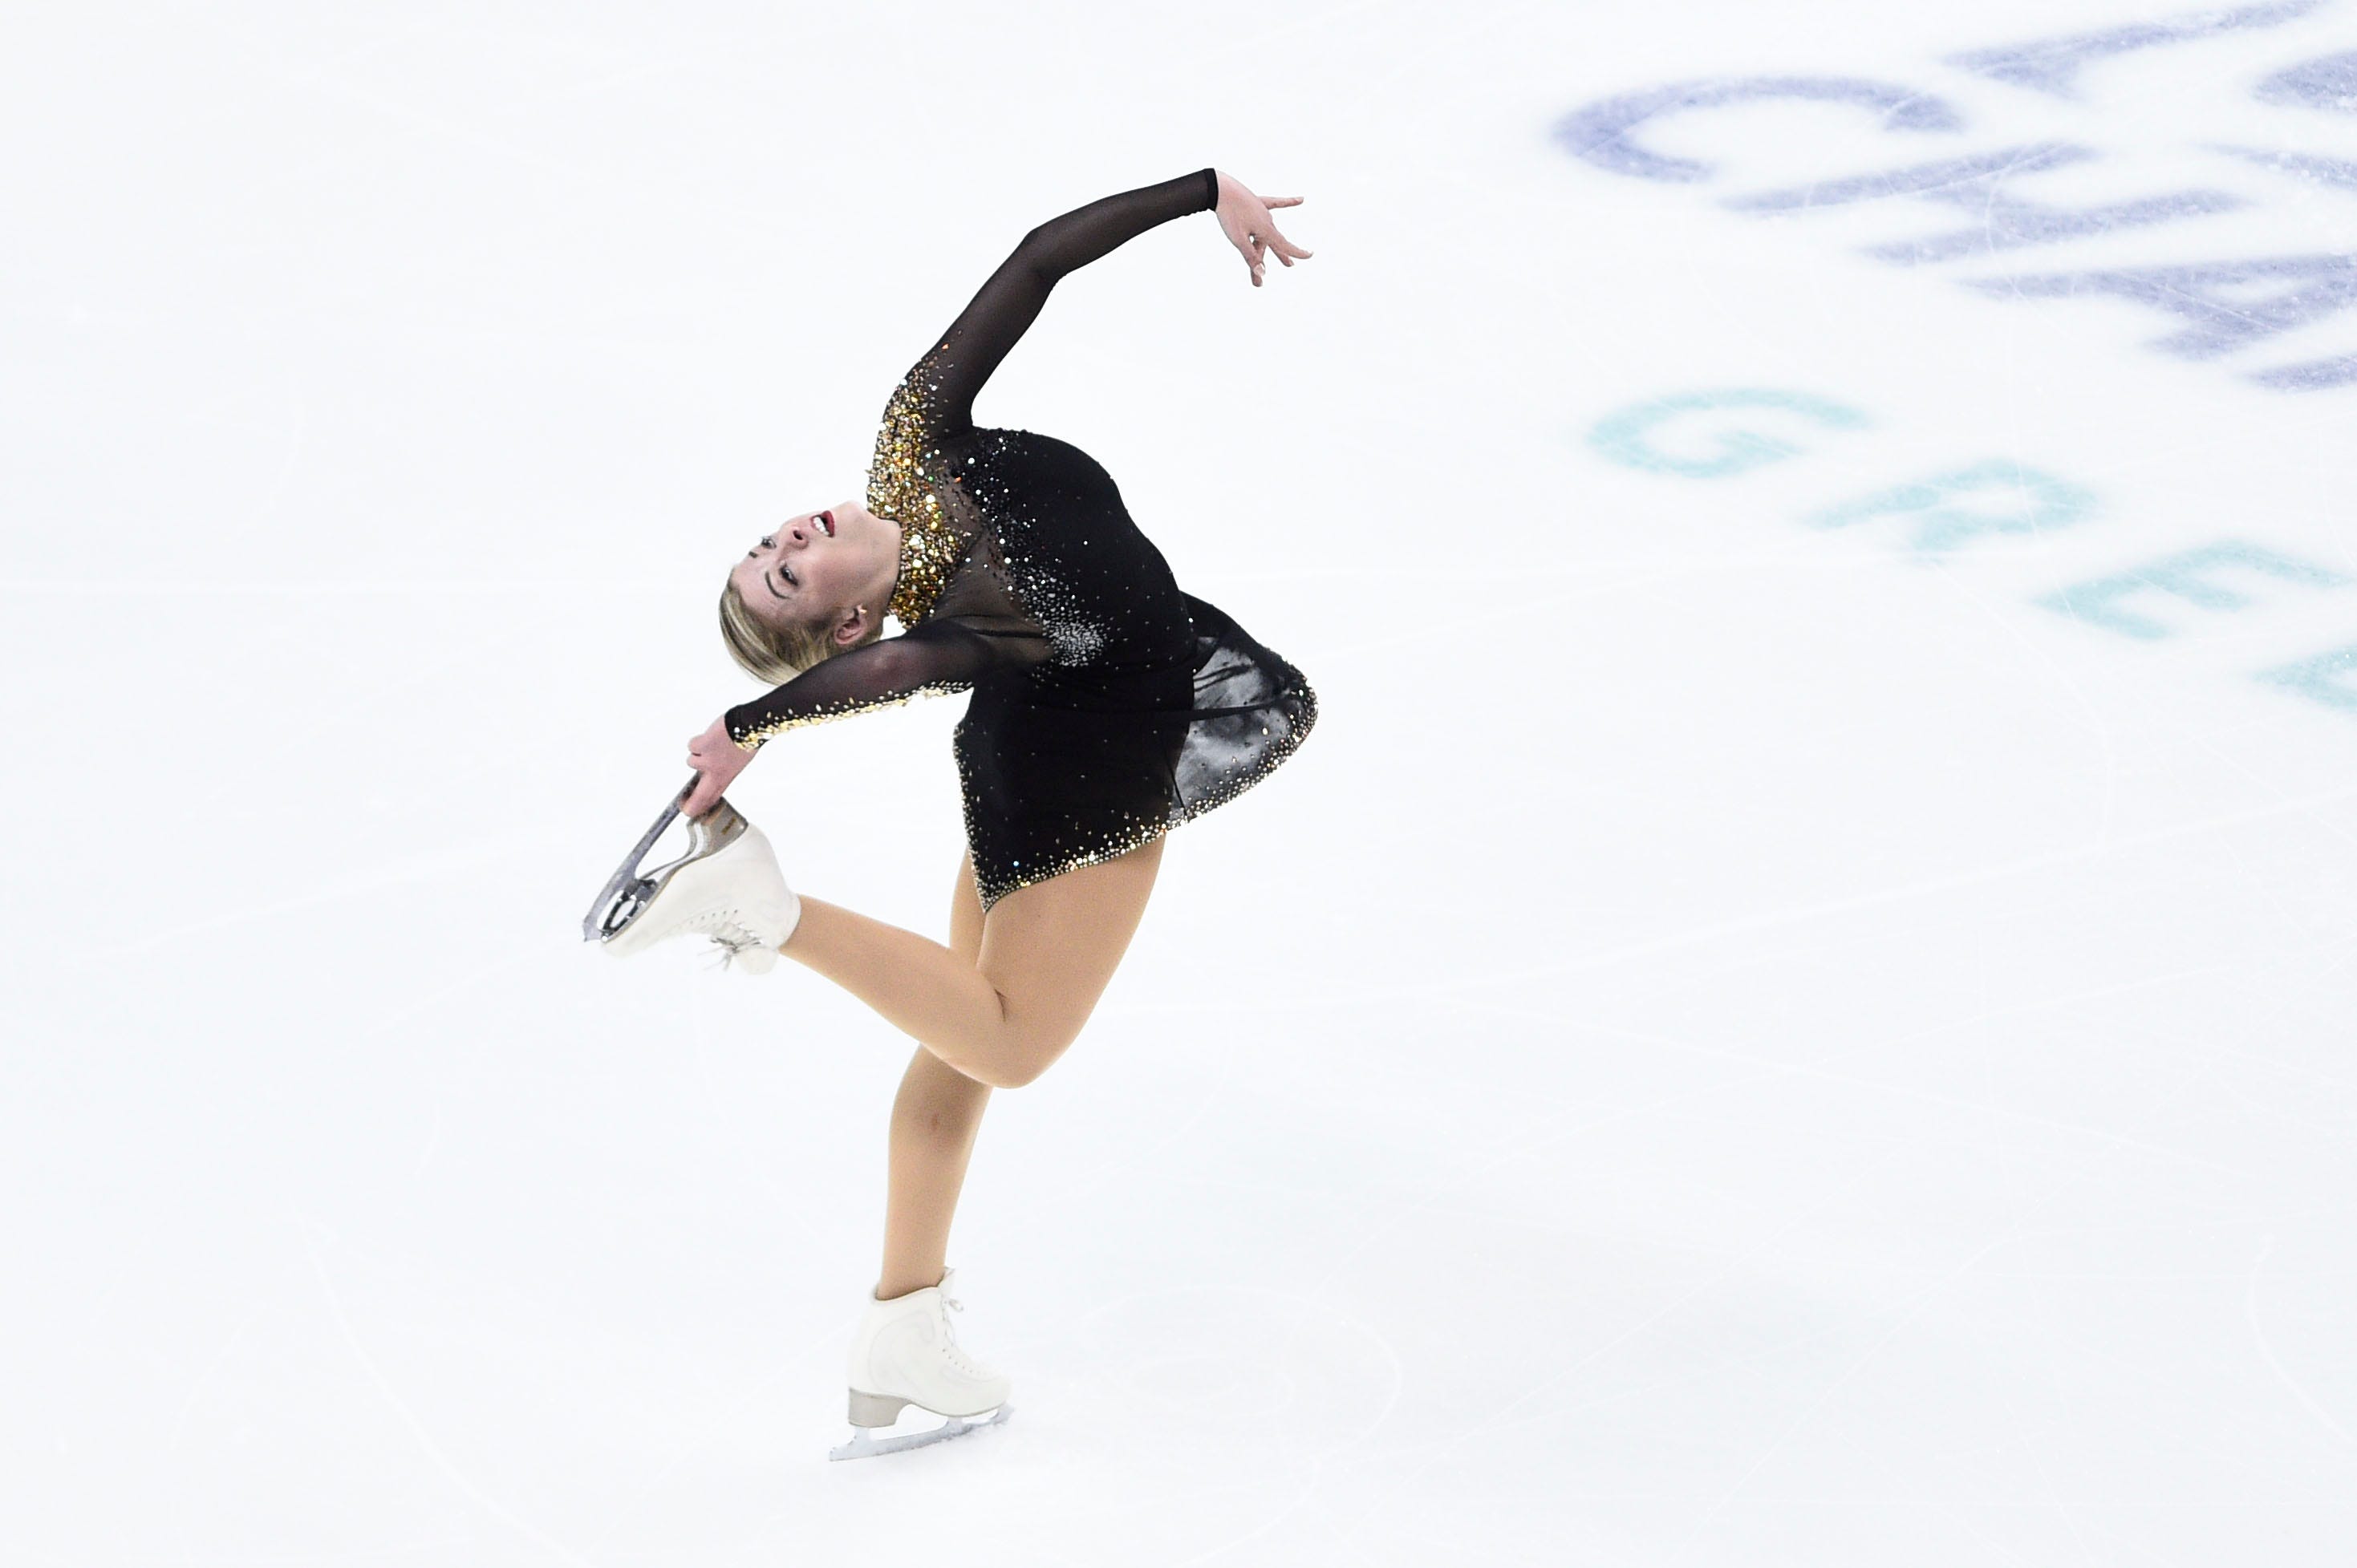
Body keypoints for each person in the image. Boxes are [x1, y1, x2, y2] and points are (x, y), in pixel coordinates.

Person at [608, 166, 1316, 1457]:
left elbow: (1038, 259)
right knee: (1007, 1044)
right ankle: (766, 910)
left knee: (951, 1049)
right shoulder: (960, 625)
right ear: (838, 616)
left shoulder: (915, 438)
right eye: (786, 573)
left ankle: (904, 1324)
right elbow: (885, 675)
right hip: (1086, 785)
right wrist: (753, 725)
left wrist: (1202, 191)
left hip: (1030, 756)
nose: (787, 533)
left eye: (768, 541)